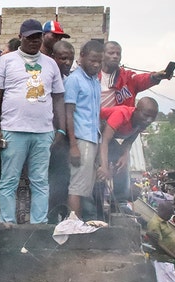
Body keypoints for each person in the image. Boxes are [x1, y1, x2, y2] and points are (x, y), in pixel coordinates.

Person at [0, 19, 65, 224]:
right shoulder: (6, 61)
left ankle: (38, 225)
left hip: (43, 132)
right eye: (29, 37)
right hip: (13, 130)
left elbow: (58, 98)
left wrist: (61, 130)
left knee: (40, 182)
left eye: (37, 36)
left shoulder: (51, 64)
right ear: (20, 36)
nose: (34, 41)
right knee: (9, 181)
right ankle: (7, 224)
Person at [64, 40, 103, 220]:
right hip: (81, 140)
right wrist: (73, 146)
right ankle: (74, 224)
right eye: (92, 60)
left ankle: (78, 223)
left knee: (85, 187)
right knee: (77, 187)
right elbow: (68, 114)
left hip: (93, 138)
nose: (96, 64)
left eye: (99, 61)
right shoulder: (74, 80)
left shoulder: (95, 81)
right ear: (82, 57)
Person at [97, 97, 159, 193]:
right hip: (95, 133)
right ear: (136, 110)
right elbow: (104, 140)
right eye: (146, 115)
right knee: (102, 165)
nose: (149, 120)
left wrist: (124, 156)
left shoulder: (141, 123)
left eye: (152, 117)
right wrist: (104, 166)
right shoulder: (121, 115)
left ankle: (120, 197)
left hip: (108, 139)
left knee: (123, 163)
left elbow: (128, 142)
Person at [46, 40, 75, 224]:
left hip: (62, 139)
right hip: (45, 135)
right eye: (63, 58)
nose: (67, 62)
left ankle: (55, 218)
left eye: (70, 59)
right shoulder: (45, 78)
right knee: (42, 181)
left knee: (61, 181)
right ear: (53, 58)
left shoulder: (71, 80)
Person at [100, 41, 171, 108]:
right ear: (102, 55)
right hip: (94, 118)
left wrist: (155, 77)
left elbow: (140, 79)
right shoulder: (92, 76)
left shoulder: (127, 77)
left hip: (118, 120)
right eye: (111, 53)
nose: (115, 56)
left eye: (118, 54)